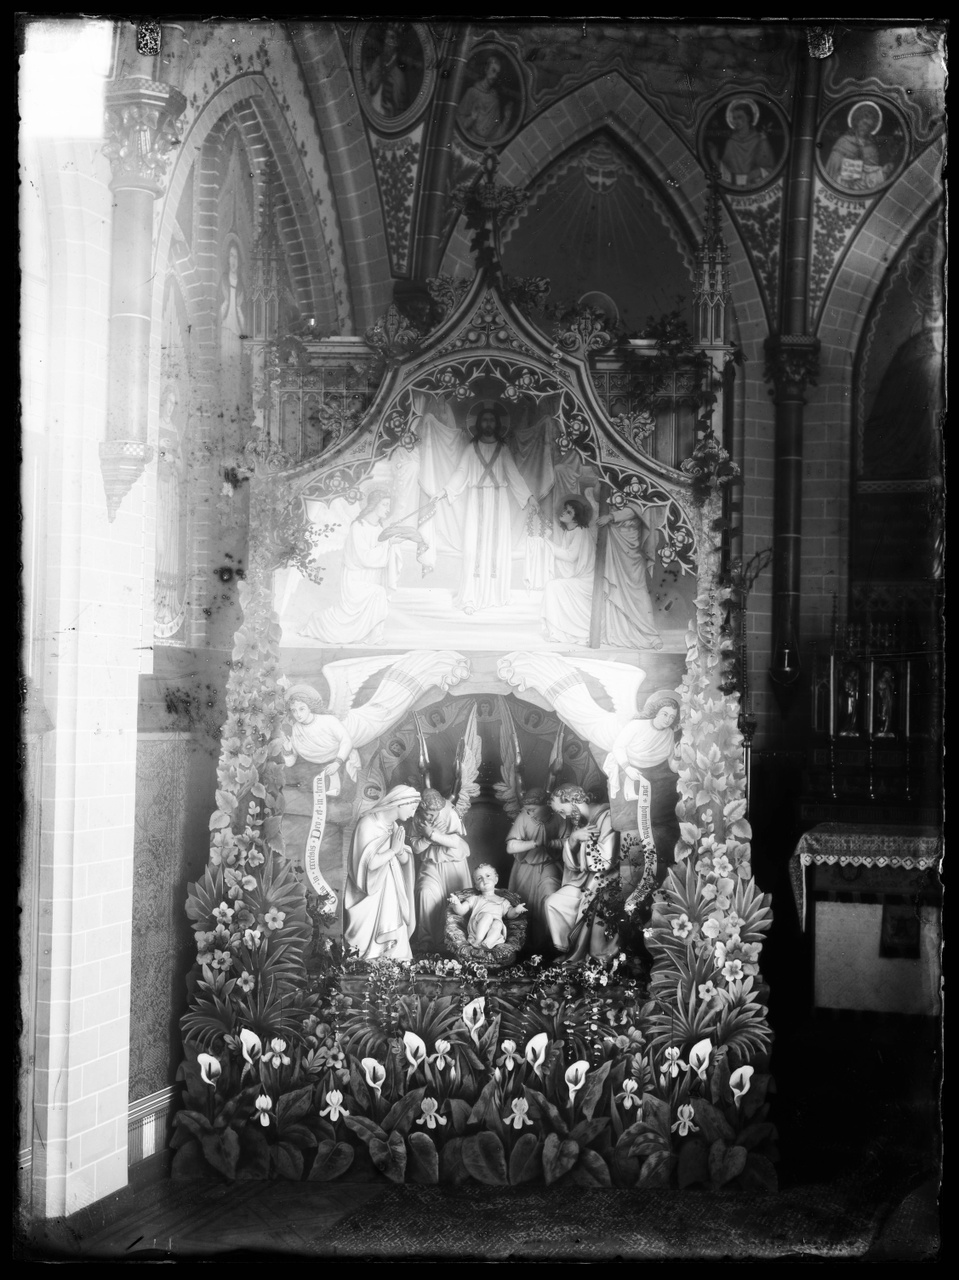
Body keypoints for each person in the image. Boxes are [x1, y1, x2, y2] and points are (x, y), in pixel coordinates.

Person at [438, 404, 536, 614]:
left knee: (496, 547)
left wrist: (529, 497)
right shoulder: (471, 448)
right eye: (485, 420)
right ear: (479, 423)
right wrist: (446, 491)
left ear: (497, 424)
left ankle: (494, 595)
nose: (488, 424)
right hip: (475, 501)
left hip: (498, 504)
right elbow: (461, 472)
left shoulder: (504, 449)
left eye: (492, 420)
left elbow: (514, 475)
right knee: (473, 547)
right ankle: (470, 598)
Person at [301, 488, 407, 644]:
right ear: (374, 504)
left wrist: (392, 544)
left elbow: (384, 553)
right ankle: (317, 622)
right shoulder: (358, 527)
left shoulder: (380, 529)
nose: (388, 509)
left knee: (379, 593)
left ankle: (374, 635)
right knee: (377, 594)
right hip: (355, 581)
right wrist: (389, 544)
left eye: (389, 505)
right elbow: (363, 557)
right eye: (384, 504)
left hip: (371, 579)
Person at [604, 692, 680, 876]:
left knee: (662, 817)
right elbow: (618, 747)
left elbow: (672, 764)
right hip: (628, 771)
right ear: (656, 711)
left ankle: (660, 868)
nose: (668, 719)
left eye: (672, 716)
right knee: (631, 824)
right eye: (665, 714)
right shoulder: (638, 725)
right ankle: (632, 871)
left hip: (652, 776)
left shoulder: (669, 733)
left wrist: (678, 756)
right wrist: (628, 768)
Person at [343, 785, 420, 961]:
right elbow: (368, 865)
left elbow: (403, 860)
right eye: (412, 808)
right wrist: (393, 851)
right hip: (369, 893)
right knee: (363, 946)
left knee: (396, 942)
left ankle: (392, 958)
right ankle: (369, 957)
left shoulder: (393, 826)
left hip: (391, 890)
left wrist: (400, 852)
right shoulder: (368, 824)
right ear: (401, 803)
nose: (413, 814)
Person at [543, 784, 619, 963]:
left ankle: (577, 955)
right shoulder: (579, 822)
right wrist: (573, 840)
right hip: (585, 879)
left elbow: (605, 860)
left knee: (577, 906)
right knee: (553, 903)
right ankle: (571, 951)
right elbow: (573, 865)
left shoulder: (606, 816)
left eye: (562, 810)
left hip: (604, 879)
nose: (563, 816)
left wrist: (583, 842)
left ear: (572, 800)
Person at [409, 788, 473, 953]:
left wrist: (432, 835)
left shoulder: (449, 813)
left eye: (435, 814)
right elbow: (416, 848)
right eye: (428, 813)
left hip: (453, 861)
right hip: (430, 862)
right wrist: (427, 837)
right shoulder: (417, 816)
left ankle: (456, 940)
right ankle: (426, 940)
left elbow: (455, 841)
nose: (431, 817)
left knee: (456, 898)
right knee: (425, 892)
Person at [505, 787, 564, 952]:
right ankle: (526, 948)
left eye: (532, 809)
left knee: (550, 897)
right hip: (526, 866)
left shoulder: (559, 817)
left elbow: (570, 841)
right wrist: (533, 844)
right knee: (524, 904)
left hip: (550, 864)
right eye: (527, 810)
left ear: (546, 805)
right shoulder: (524, 816)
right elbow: (511, 846)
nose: (529, 813)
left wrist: (553, 843)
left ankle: (550, 944)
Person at [598, 504, 663, 649]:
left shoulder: (642, 493)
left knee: (638, 590)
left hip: (633, 549)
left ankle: (650, 635)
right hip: (616, 544)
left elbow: (639, 506)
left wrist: (611, 516)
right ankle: (617, 632)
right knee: (616, 589)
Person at [154, 384, 185, 638]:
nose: (170, 407)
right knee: (159, 540)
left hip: (171, 485)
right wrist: (161, 452)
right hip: (157, 485)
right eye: (168, 402)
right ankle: (153, 597)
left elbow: (183, 463)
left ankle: (166, 601)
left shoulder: (175, 430)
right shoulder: (153, 426)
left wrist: (173, 459)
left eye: (174, 404)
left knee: (170, 544)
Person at [543, 498, 596, 644]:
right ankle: (559, 632)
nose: (564, 513)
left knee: (552, 587)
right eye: (564, 509)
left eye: (569, 512)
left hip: (586, 580)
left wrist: (546, 543)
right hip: (578, 578)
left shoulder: (580, 531)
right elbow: (565, 554)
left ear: (576, 517)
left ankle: (562, 633)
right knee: (552, 587)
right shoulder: (570, 532)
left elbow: (570, 556)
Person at [449, 863, 527, 950]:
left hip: (494, 930)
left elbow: (509, 914)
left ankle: (487, 943)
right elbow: (461, 911)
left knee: (498, 923)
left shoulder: (503, 901)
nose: (484, 880)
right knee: (487, 916)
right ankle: (477, 941)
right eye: (479, 878)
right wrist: (456, 903)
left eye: (488, 876)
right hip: (478, 926)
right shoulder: (475, 899)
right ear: (477, 886)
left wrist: (516, 910)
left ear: (496, 879)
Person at [825, 102, 893, 192]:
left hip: (865, 190)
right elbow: (832, 169)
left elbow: (872, 174)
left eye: (869, 126)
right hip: (842, 186)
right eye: (863, 123)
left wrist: (882, 172)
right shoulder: (844, 142)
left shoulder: (872, 148)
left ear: (872, 128)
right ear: (856, 122)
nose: (865, 128)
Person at [709, 98, 776, 188]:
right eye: (734, 118)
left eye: (740, 117)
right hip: (735, 188)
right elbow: (726, 172)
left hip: (754, 185)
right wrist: (716, 160)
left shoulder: (759, 140)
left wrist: (758, 172)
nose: (736, 121)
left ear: (748, 118)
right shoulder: (731, 143)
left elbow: (769, 168)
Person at [456, 55, 513, 144]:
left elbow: (496, 135)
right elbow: (458, 122)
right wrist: (472, 118)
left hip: (485, 145)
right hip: (468, 141)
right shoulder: (472, 92)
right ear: (486, 69)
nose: (495, 76)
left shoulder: (494, 100)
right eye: (493, 71)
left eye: (497, 74)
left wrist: (507, 118)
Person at [364, 22, 409, 119]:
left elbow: (400, 110)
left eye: (391, 38)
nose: (387, 41)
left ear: (396, 43)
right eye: (386, 37)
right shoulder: (376, 63)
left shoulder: (399, 77)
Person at [219, 241, 246, 364]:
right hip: (225, 328)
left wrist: (241, 314)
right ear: (227, 259)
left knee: (235, 366)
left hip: (236, 331)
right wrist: (223, 306)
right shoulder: (223, 280)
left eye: (236, 256)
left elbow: (244, 316)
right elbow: (216, 311)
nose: (233, 260)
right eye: (231, 255)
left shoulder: (241, 285)